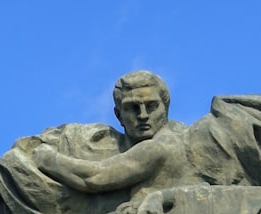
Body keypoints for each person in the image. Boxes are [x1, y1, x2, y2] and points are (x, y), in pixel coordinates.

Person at [30, 71, 198, 200]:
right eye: (132, 108)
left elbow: (95, 177)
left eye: (152, 106)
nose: (143, 115)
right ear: (119, 116)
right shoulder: (110, 140)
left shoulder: (162, 145)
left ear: (165, 109)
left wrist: (49, 159)